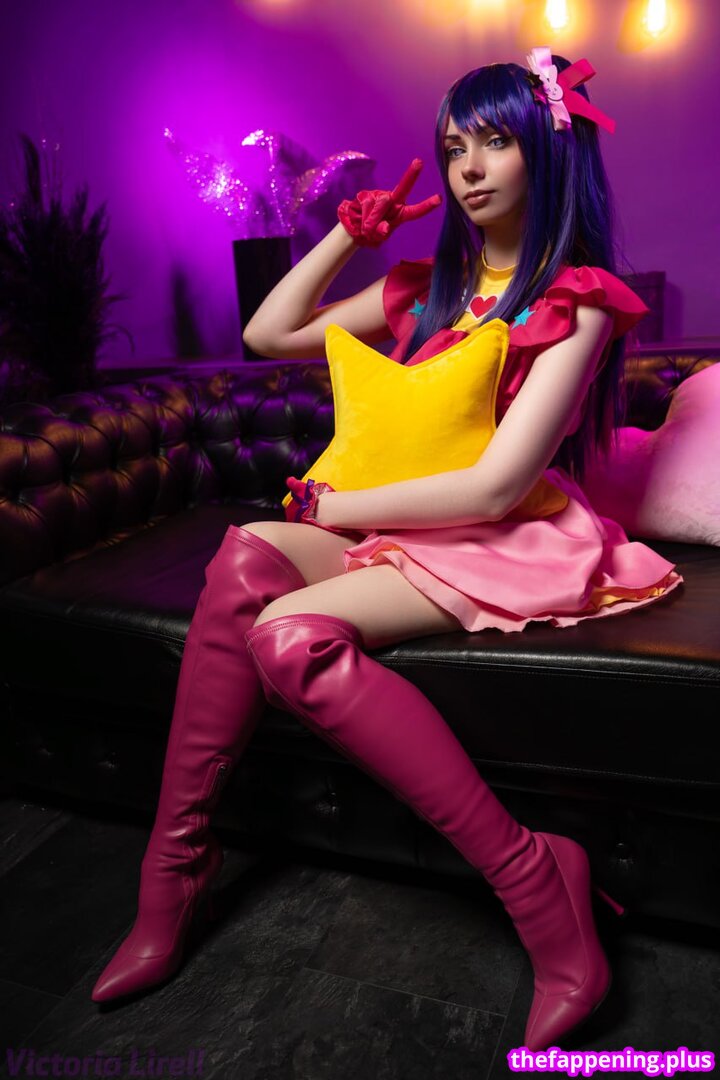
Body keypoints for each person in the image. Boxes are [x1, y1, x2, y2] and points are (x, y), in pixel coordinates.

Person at [91, 48, 683, 1052]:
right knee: (242, 556)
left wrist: (342, 508)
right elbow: (266, 334)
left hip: (505, 533)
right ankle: (176, 870)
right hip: (407, 523)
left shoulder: (576, 299)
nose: (469, 167)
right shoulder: (430, 285)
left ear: (547, 149)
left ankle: (537, 882)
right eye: (453, 147)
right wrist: (344, 237)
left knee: (288, 640)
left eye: (495, 141)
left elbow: (496, 486)